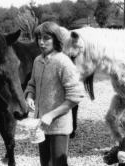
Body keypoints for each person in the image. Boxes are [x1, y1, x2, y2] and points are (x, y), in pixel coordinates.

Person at [24, 21, 85, 166]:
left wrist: (51, 115)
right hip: (40, 124)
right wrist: (29, 96)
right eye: (39, 38)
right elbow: (31, 83)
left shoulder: (63, 63)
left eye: (46, 38)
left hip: (59, 126)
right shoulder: (37, 61)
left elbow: (76, 96)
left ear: (56, 39)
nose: (41, 42)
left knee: (58, 163)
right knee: (45, 163)